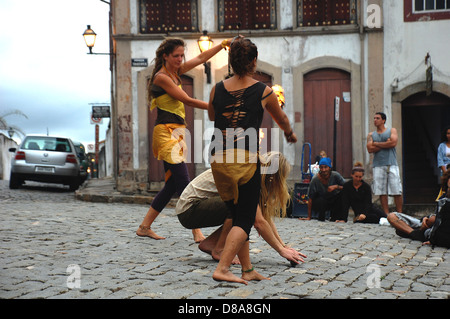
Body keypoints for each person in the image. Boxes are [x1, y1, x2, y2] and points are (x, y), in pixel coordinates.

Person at [207, 36, 297, 285]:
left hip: (217, 158)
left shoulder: (217, 88)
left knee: (237, 215)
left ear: (231, 61)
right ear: (254, 61)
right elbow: (282, 121)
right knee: (246, 219)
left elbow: (213, 114)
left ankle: (247, 269)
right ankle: (223, 268)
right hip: (244, 160)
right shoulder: (263, 90)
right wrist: (290, 134)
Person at [136, 37, 231, 241]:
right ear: (165, 56)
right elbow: (186, 100)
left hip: (177, 133)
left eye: (181, 55)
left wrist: (223, 45)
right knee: (185, 182)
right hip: (165, 133)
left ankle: (144, 227)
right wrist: (216, 107)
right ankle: (197, 232)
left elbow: (201, 57)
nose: (180, 59)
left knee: (171, 185)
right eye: (176, 56)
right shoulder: (162, 77)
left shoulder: (174, 72)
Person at [175, 152, 306, 265]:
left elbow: (265, 218)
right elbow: (259, 222)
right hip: (189, 209)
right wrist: (281, 251)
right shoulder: (248, 175)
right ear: (273, 177)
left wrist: (283, 246)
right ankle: (219, 249)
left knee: (243, 208)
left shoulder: (253, 171)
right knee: (241, 207)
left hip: (191, 208)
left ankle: (211, 244)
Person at [366, 112, 403, 215]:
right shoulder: (371, 134)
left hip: (391, 163)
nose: (375, 120)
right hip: (378, 165)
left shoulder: (391, 130)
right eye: (374, 118)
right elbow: (369, 148)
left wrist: (376, 143)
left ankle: (400, 213)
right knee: (381, 191)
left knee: (396, 189)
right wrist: (386, 144)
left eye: (377, 118)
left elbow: (393, 143)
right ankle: (387, 214)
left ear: (383, 120)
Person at [306, 157, 345, 222]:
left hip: (334, 200)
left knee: (341, 196)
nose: (323, 170)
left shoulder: (335, 175)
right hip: (321, 202)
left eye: (325, 167)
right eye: (321, 167)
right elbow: (310, 197)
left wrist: (336, 187)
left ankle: (337, 217)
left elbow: (347, 187)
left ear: (329, 168)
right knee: (320, 200)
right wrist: (309, 217)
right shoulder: (315, 179)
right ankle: (321, 217)